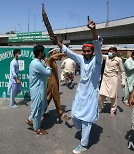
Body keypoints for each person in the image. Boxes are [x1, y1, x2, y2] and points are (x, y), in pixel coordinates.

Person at [50, 18, 102, 153]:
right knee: (74, 115)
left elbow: (96, 44)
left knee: (86, 121)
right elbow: (69, 52)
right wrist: (57, 42)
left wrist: (93, 30)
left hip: (91, 93)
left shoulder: (97, 60)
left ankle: (84, 145)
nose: (85, 53)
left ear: (93, 52)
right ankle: (83, 131)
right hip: (80, 93)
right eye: (84, 51)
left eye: (88, 51)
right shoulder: (81, 59)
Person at [26, 45, 51, 135]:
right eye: (43, 52)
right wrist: (48, 64)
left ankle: (30, 119)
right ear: (41, 53)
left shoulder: (34, 62)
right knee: (37, 109)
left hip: (36, 88)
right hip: (37, 90)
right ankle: (37, 129)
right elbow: (48, 73)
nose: (44, 53)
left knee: (37, 107)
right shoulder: (37, 64)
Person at [99, 47, 125, 116]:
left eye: (112, 51)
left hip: (113, 78)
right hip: (105, 78)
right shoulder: (106, 57)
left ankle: (113, 110)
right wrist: (98, 45)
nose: (111, 53)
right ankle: (101, 107)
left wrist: (123, 81)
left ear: (115, 52)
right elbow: (98, 54)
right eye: (110, 51)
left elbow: (122, 71)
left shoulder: (118, 60)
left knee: (113, 96)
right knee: (101, 95)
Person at [46, 48, 71, 120]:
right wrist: (62, 53)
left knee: (47, 99)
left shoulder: (54, 61)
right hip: (52, 83)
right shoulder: (49, 61)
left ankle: (40, 112)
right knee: (56, 98)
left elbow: (58, 57)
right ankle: (61, 113)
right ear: (50, 54)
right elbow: (52, 58)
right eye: (54, 53)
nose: (56, 55)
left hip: (54, 82)